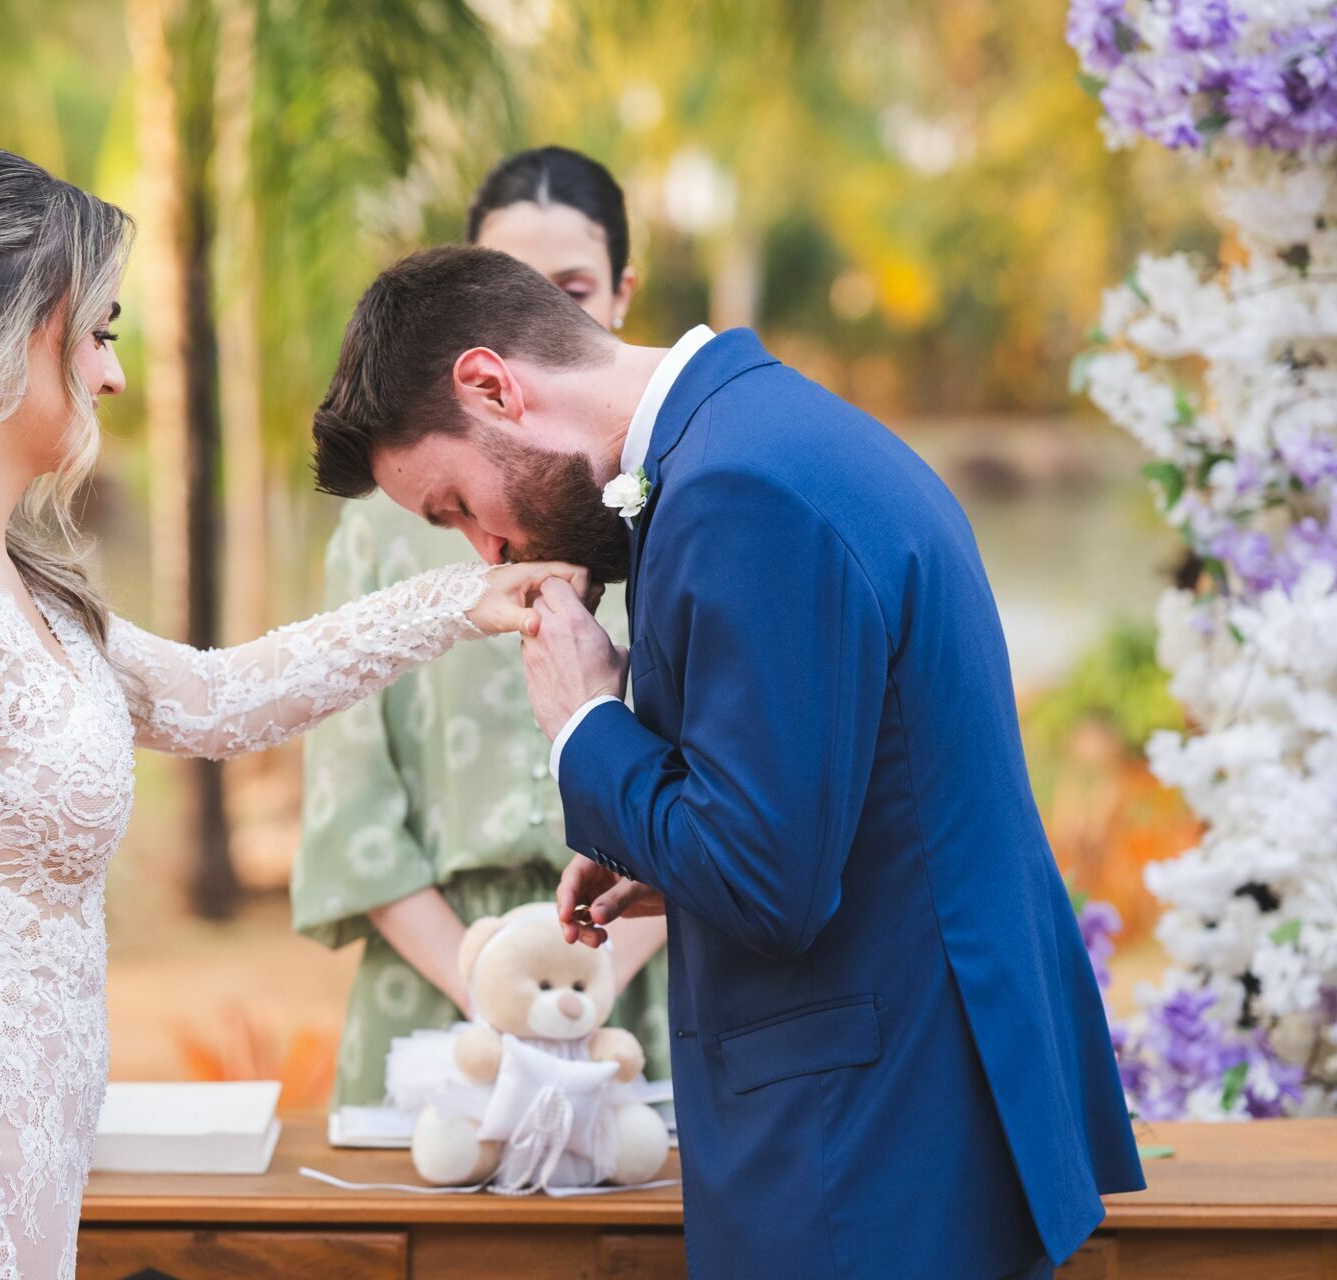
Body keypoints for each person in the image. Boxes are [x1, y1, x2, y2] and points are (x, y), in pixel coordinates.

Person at [0, 147, 587, 1279]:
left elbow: (218, 697)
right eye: (97, 330)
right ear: (0, 325)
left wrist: (455, 600)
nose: (110, 373)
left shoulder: (11, 576)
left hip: (20, 1166)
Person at [307, 246, 1144, 1280]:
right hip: (913, 1115)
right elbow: (841, 794)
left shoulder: (738, 491)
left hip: (866, 1151)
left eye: (454, 504)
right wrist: (658, 851)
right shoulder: (765, 433)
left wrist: (587, 727)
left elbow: (770, 880)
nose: (487, 550)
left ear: (492, 386)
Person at [293, 146, 668, 1112]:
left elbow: (725, 771)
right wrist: (498, 991)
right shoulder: (383, 527)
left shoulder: (675, 502)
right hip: (438, 980)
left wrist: (581, 984)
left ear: (621, 292)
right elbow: (353, 808)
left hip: (639, 969)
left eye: (573, 286)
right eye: (517, 283)